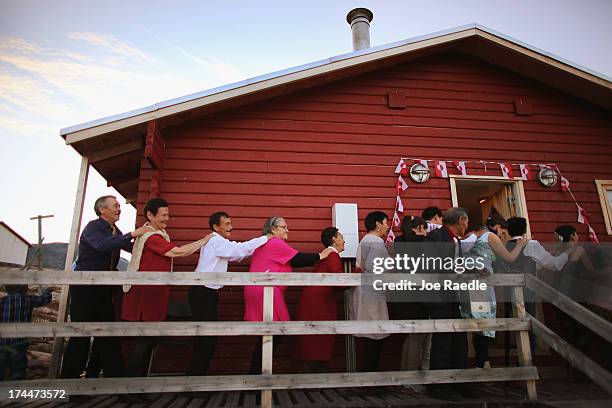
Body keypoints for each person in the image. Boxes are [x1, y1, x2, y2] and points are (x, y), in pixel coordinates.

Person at [121, 198, 212, 377]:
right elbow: (177, 252)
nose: (167, 219)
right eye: (163, 215)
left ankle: (136, 385)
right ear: (150, 215)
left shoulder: (157, 234)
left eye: (168, 215)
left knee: (150, 340)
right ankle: (130, 384)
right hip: (145, 296)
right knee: (144, 341)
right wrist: (203, 241)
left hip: (154, 294)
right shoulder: (152, 237)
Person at [61, 195, 148, 379]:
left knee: (108, 334)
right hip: (85, 288)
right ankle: (70, 385)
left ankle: (108, 380)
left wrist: (150, 241)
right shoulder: (93, 227)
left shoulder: (114, 230)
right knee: (81, 336)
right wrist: (133, 234)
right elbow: (102, 245)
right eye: (115, 206)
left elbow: (130, 247)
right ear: (103, 210)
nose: (119, 208)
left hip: (104, 289)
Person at [245, 216, 333, 374]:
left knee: (268, 336)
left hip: (260, 290)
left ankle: (255, 379)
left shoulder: (267, 244)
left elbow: (293, 262)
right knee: (275, 333)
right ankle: (257, 379)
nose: (288, 230)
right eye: (284, 227)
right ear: (273, 229)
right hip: (267, 290)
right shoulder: (275, 242)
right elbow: (297, 258)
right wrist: (322, 255)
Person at [188, 211, 269, 376]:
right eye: (227, 224)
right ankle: (194, 383)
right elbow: (238, 250)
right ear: (215, 227)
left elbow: (237, 255)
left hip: (205, 293)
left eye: (230, 223)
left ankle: (195, 380)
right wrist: (265, 238)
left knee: (206, 339)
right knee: (206, 340)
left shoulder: (219, 242)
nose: (231, 227)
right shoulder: (216, 241)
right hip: (203, 292)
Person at [461, 223, 527, 369]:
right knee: (484, 322)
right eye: (503, 232)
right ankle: (482, 363)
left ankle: (482, 362)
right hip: (481, 285)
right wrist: (520, 245)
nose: (503, 235)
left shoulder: (470, 236)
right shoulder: (489, 236)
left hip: (466, 284)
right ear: (497, 227)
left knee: (470, 322)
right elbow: (509, 258)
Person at [424, 207, 472, 399]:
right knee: (443, 339)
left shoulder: (455, 240)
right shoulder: (436, 237)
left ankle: (458, 380)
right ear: (461, 220)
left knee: (459, 338)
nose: (467, 226)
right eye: (466, 222)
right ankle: (439, 385)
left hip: (453, 294)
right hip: (438, 294)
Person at [292, 227, 345, 373]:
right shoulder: (333, 255)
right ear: (334, 239)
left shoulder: (328, 255)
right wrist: (358, 273)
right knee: (320, 339)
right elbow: (339, 280)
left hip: (315, 300)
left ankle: (311, 378)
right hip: (320, 303)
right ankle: (312, 379)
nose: (344, 240)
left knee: (315, 338)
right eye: (341, 236)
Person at [393, 216, 431, 393]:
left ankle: (404, 376)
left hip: (402, 294)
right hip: (418, 294)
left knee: (411, 336)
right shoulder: (422, 243)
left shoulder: (399, 242)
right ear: (420, 227)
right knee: (417, 336)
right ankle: (411, 379)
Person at [349, 211, 391, 372]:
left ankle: (367, 377)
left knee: (371, 336)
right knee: (375, 335)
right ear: (378, 224)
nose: (387, 226)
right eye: (385, 222)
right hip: (372, 291)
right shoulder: (375, 241)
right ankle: (369, 378)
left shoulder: (366, 241)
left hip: (366, 290)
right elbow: (374, 266)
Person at [0, 285, 52, 380]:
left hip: (3, 343)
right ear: (24, 288)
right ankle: (16, 391)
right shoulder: (27, 299)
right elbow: (44, 299)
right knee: (18, 372)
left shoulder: (2, 301)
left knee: (1, 370)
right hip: (19, 343)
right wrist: (46, 290)